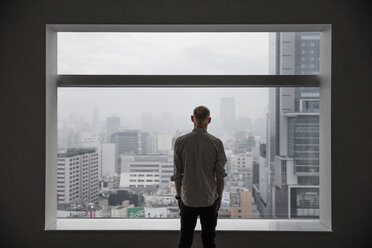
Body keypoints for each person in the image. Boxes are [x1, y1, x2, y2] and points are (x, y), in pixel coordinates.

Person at [171, 106, 227, 248]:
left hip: (188, 199)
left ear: (192, 119)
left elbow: (178, 175)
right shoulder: (216, 143)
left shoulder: (181, 142)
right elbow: (220, 176)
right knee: (209, 241)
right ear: (209, 120)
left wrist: (179, 197)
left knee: (185, 241)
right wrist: (219, 198)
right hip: (209, 199)